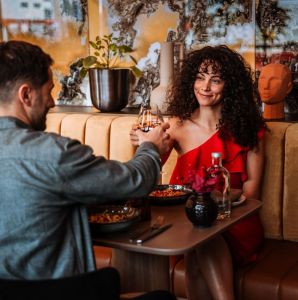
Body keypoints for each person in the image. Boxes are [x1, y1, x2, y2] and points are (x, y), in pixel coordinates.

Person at [0, 40, 176, 300]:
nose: (50, 102)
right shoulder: (52, 155)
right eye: (48, 91)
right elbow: (135, 181)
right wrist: (150, 147)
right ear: (26, 95)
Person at [131, 45, 266, 300]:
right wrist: (141, 144)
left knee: (203, 237)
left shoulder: (250, 128)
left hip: (234, 222)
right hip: (187, 224)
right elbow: (144, 174)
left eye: (215, 80)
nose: (205, 87)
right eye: (200, 77)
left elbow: (252, 192)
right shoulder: (176, 127)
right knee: (198, 237)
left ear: (230, 86)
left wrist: (213, 202)